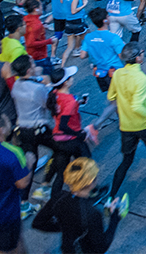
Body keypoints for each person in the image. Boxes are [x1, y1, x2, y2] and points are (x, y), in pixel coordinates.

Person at [33, 157, 128, 254]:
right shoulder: (92, 214)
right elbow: (101, 247)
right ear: (91, 182)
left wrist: (66, 228)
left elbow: (38, 223)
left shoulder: (59, 197)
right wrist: (115, 217)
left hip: (68, 248)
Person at [107, 43, 146, 199]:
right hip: (144, 124)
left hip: (126, 126)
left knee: (126, 161)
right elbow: (137, 106)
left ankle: (111, 196)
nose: (143, 54)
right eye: (142, 52)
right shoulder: (141, 78)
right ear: (138, 58)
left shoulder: (117, 74)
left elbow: (111, 96)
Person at [9, 55, 57, 215]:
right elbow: (49, 104)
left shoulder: (16, 85)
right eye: (32, 64)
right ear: (29, 69)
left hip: (23, 130)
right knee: (60, 149)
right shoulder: (37, 89)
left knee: (31, 163)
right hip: (39, 129)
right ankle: (45, 185)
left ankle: (23, 203)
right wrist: (48, 85)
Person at [47, 66, 92, 195]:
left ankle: (54, 200)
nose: (72, 78)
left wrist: (79, 102)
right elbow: (63, 125)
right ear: (66, 82)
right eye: (70, 77)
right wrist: (79, 134)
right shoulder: (69, 101)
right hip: (71, 140)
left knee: (61, 174)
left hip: (58, 140)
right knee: (86, 164)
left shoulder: (54, 94)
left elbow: (62, 111)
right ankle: (87, 193)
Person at [79, 8, 123, 135]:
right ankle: (95, 125)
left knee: (113, 98)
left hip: (100, 73)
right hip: (115, 73)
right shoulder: (113, 37)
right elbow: (122, 56)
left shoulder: (89, 37)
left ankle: (122, 122)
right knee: (116, 102)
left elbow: (82, 55)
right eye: (107, 16)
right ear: (105, 20)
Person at [0, 112, 32, 253]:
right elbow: (22, 183)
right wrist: (29, 163)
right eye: (7, 121)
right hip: (5, 214)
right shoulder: (13, 153)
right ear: (1, 130)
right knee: (9, 247)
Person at [23, 0, 57, 75]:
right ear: (36, 9)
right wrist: (49, 41)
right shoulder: (36, 24)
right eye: (40, 5)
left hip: (32, 55)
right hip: (40, 57)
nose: (42, 7)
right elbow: (31, 43)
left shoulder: (26, 19)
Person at [60, 0, 88, 66]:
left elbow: (62, 1)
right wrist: (84, 4)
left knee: (69, 47)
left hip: (68, 22)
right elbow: (73, 11)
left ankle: (62, 66)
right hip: (77, 21)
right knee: (89, 39)